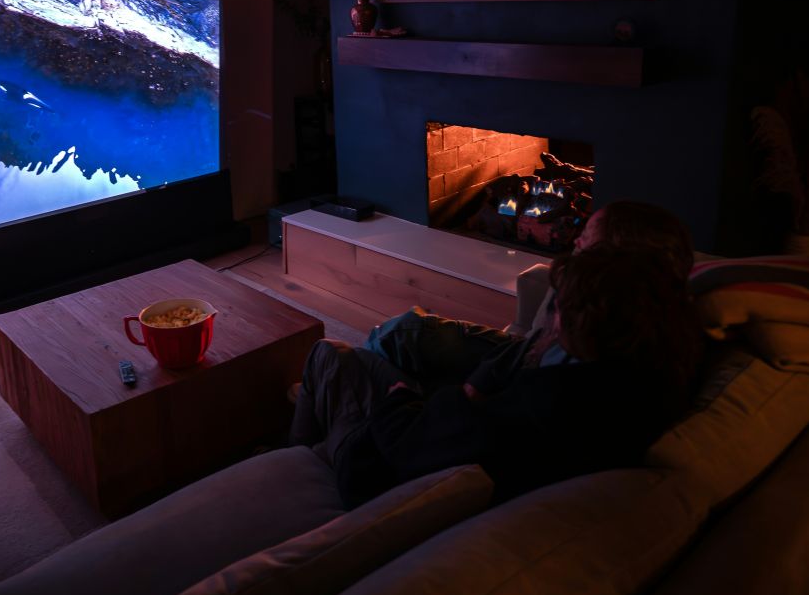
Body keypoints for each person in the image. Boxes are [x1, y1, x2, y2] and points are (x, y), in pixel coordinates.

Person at [286, 200, 700, 505]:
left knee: (330, 355)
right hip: (443, 426)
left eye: (560, 309)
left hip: (379, 470)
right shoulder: (655, 359)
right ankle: (319, 417)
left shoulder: (549, 401)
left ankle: (299, 457)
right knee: (392, 340)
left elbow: (415, 445)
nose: (551, 319)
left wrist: (399, 399)